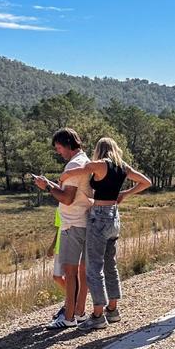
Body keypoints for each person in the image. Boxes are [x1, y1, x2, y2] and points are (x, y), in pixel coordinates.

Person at [57, 137, 152, 331]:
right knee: (111, 265)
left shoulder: (100, 165)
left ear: (99, 150)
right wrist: (125, 194)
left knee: (94, 268)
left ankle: (98, 314)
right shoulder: (122, 166)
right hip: (114, 217)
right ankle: (113, 309)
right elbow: (146, 182)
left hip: (99, 217)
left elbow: (81, 170)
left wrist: (63, 177)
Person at [34, 128, 93, 328]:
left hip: (73, 223)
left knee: (70, 272)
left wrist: (47, 187)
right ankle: (80, 312)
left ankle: (68, 317)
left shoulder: (74, 164)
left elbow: (67, 198)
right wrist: (52, 184)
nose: (58, 152)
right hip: (82, 221)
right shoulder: (84, 160)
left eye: (59, 148)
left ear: (67, 144)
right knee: (81, 271)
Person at [48, 208, 67, 323]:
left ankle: (68, 304)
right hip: (60, 247)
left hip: (71, 245)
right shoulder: (59, 207)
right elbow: (58, 228)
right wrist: (53, 245)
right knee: (57, 277)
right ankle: (72, 298)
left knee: (70, 277)